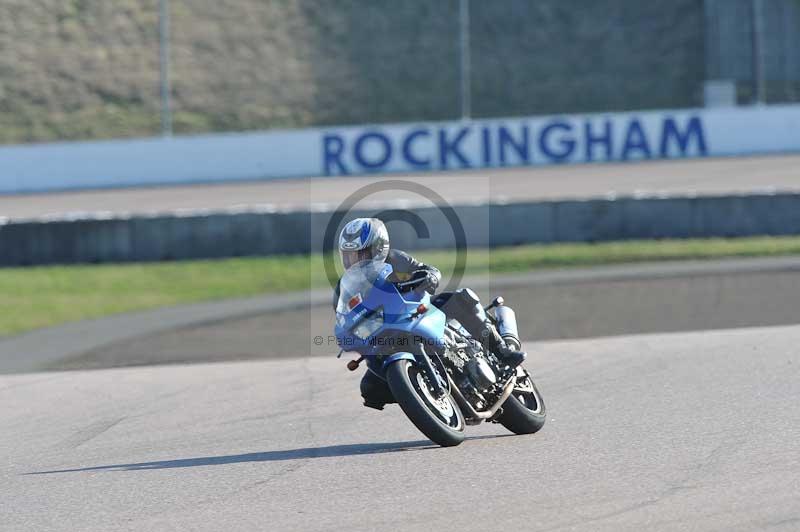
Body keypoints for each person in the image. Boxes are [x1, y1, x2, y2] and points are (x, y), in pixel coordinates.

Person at [334, 217, 526, 410]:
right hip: (383, 333)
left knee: (460, 299)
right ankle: (417, 389)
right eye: (349, 256)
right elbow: (343, 315)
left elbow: (426, 269)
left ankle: (501, 350)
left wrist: (429, 276)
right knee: (370, 389)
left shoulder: (395, 260)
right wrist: (346, 332)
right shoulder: (344, 287)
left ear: (379, 248)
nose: (355, 261)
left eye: (361, 254)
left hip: (413, 312)